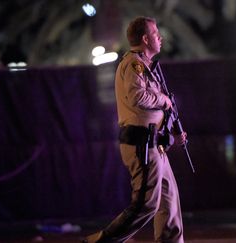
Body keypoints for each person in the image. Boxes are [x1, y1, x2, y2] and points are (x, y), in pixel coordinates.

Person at [84, 16, 186, 243]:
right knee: (146, 204)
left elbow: (154, 110)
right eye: (155, 32)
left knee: (168, 201)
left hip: (155, 143)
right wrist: (163, 100)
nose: (159, 37)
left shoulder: (148, 67)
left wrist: (172, 128)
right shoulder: (133, 64)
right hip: (142, 144)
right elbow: (137, 96)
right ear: (144, 38)